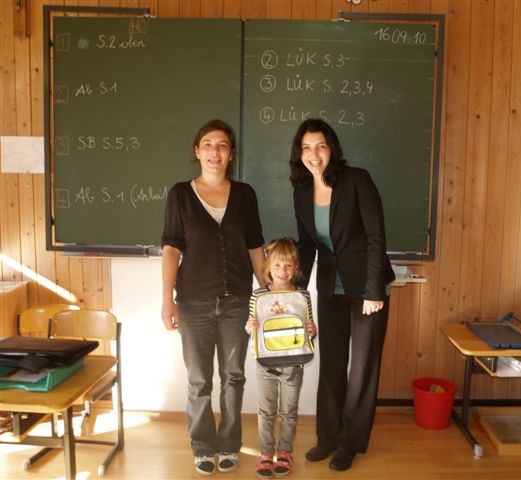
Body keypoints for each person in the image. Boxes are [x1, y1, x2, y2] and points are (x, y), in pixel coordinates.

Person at [288, 118, 395, 471]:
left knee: (361, 369)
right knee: (331, 366)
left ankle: (350, 442)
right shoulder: (302, 191)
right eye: (306, 147)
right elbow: (307, 245)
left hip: (367, 289)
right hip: (329, 288)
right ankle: (328, 438)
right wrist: (295, 292)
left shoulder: (357, 180)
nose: (314, 154)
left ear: (332, 148)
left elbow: (376, 237)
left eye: (320, 146)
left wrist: (374, 289)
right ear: (299, 153)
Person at [161, 119, 265, 476]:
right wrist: (167, 299)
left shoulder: (246, 195)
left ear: (231, 153)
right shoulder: (180, 194)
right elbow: (171, 249)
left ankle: (229, 444)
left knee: (234, 376)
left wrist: (268, 294)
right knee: (199, 380)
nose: (214, 151)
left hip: (237, 301)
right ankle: (203, 446)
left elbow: (255, 246)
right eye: (207, 144)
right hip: (194, 302)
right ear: (197, 151)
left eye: (222, 145)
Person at [245, 237, 317, 479]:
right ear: (268, 267)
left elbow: (308, 327)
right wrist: (249, 325)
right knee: (266, 411)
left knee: (289, 411)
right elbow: (251, 328)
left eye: (288, 266)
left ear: (296, 267)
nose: (282, 271)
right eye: (277, 265)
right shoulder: (258, 295)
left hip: (293, 363)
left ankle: (285, 452)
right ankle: (266, 453)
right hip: (265, 364)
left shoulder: (303, 295)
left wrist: (312, 330)